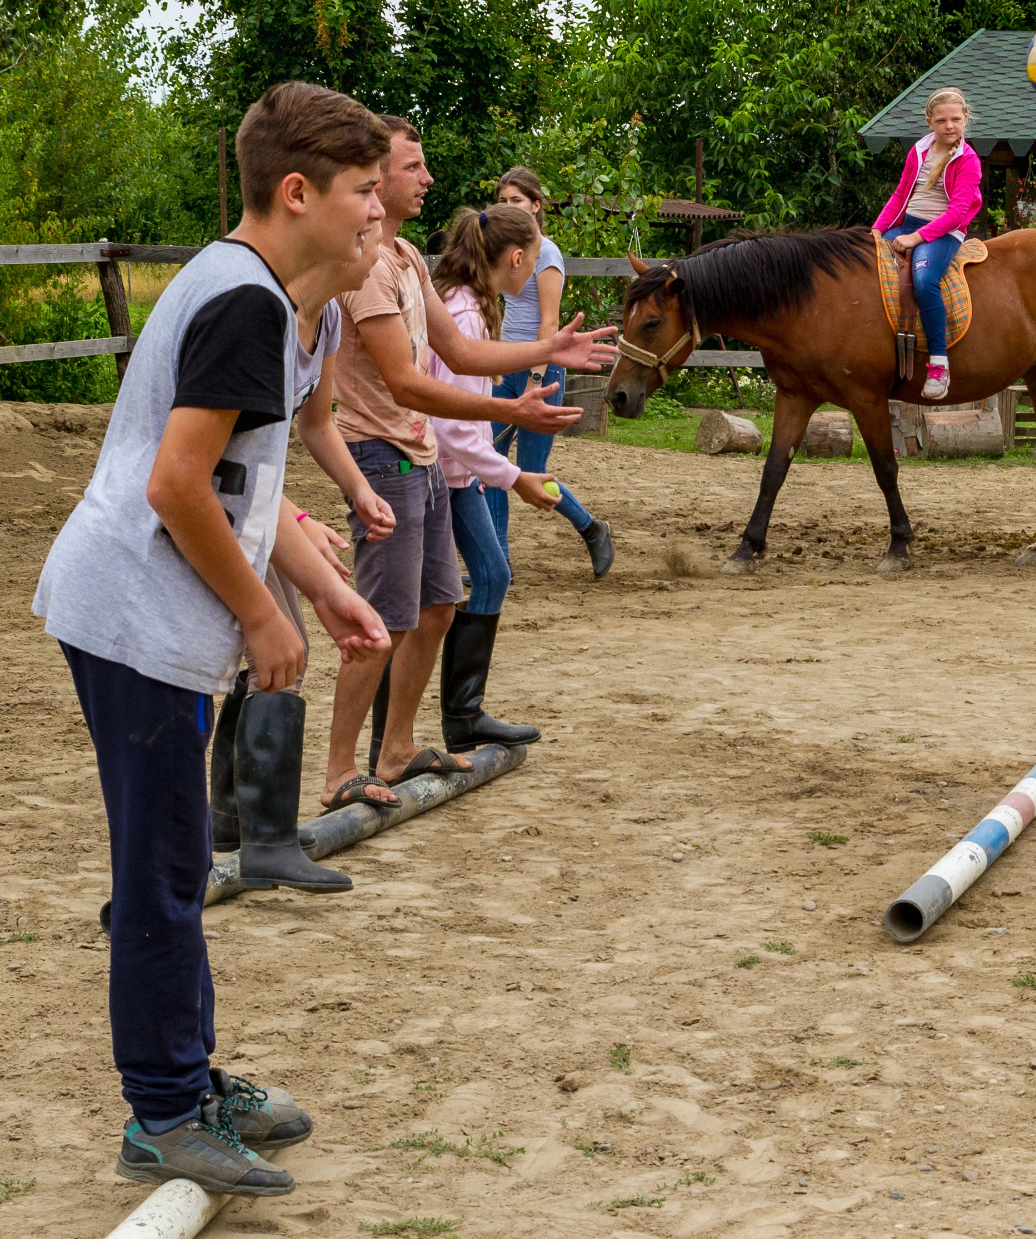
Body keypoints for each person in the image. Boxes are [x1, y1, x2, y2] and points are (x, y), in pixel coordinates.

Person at [32, 81, 395, 1196]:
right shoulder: (242, 302)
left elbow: (240, 487)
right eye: (365, 192)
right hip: (134, 614)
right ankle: (159, 1110)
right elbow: (175, 481)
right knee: (161, 870)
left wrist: (316, 588)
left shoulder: (289, 306)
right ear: (298, 193)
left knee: (180, 861)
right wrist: (256, 611)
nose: (381, 213)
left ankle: (190, 1081)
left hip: (159, 612)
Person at [325, 116, 614, 812]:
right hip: (381, 451)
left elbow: (457, 352)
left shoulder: (409, 259)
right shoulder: (367, 266)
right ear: (375, 175)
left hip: (419, 453)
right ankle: (339, 771)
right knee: (384, 622)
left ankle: (395, 749)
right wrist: (512, 417)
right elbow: (405, 382)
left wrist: (544, 354)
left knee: (437, 606)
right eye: (412, 167)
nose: (427, 179)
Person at [204, 210, 396, 894]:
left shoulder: (329, 324)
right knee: (264, 654)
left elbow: (310, 425)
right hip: (217, 506)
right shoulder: (264, 315)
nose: (379, 240)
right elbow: (213, 456)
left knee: (278, 657)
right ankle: (250, 835)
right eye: (368, 222)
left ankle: (243, 830)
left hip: (253, 504)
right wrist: (297, 514)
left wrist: (349, 491)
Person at [430, 204, 563, 752]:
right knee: (463, 585)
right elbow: (451, 425)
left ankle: (464, 714)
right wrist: (513, 477)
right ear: (513, 258)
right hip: (443, 473)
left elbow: (469, 417)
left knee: (490, 573)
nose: (532, 272)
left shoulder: (473, 306)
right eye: (531, 262)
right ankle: (458, 717)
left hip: (458, 472)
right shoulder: (464, 313)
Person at [487, 166, 614, 578]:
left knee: (530, 472)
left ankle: (592, 528)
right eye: (503, 201)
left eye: (517, 201)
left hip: (538, 374)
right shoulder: (507, 252)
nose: (509, 207)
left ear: (536, 205)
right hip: (506, 369)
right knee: (490, 463)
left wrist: (537, 378)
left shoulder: (548, 254)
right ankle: (498, 556)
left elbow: (548, 322)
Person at [871, 86, 983, 401]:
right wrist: (878, 231)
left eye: (956, 120)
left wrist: (916, 238)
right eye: (942, 120)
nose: (950, 126)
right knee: (865, 262)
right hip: (907, 224)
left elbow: (957, 213)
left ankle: (938, 364)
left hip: (944, 232)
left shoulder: (968, 161)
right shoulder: (919, 151)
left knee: (924, 280)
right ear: (929, 122)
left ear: (965, 119)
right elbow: (899, 195)